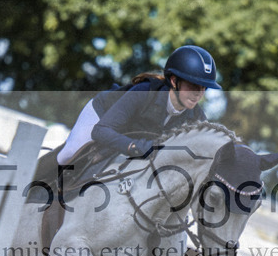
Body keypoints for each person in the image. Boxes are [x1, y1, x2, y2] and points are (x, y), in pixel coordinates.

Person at [55, 44, 221, 168]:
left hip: (130, 137)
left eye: (203, 87)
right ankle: (33, 181)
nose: (199, 93)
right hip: (103, 117)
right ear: (173, 81)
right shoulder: (144, 92)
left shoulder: (196, 117)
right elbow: (100, 131)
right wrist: (135, 147)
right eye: (193, 85)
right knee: (66, 156)